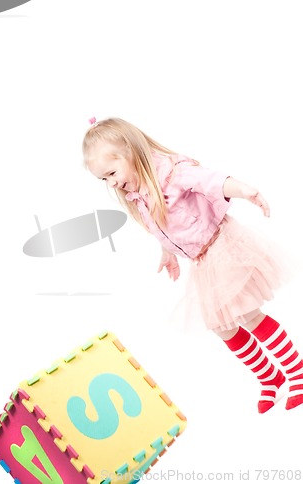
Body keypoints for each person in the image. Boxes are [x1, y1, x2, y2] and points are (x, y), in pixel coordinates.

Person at [82, 116, 303, 414]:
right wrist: (167, 252)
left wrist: (245, 190)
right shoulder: (139, 195)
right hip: (202, 260)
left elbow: (211, 181)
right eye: (104, 179)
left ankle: (297, 372)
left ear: (131, 153)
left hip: (223, 246)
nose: (111, 183)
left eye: (111, 172)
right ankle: (270, 377)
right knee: (221, 326)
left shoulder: (173, 173)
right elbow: (162, 226)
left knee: (247, 314)